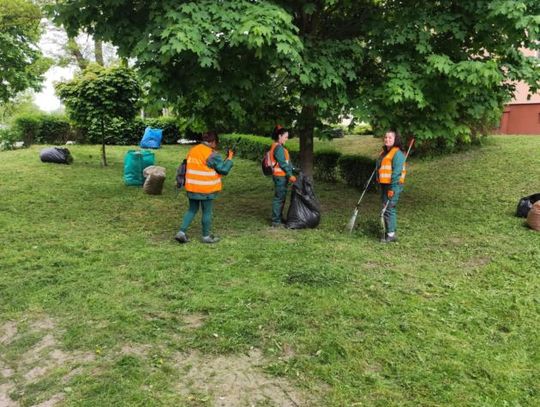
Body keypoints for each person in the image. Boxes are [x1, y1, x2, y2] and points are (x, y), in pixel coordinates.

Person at [174, 132, 234, 244]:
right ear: (213, 142)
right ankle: (206, 237)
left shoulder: (193, 150)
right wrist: (229, 159)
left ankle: (181, 232)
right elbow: (223, 170)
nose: (216, 146)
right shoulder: (212, 154)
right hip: (206, 188)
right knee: (207, 211)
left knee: (192, 209)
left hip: (192, 186)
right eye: (216, 143)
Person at [376, 129, 407, 243]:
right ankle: (387, 231)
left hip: (394, 185)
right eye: (386, 137)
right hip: (384, 185)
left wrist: (392, 189)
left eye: (390, 137)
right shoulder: (384, 153)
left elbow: (396, 174)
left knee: (389, 208)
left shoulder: (397, 154)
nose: (387, 139)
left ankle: (391, 235)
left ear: (395, 139)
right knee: (385, 207)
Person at [269, 127, 296, 227]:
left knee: (281, 197)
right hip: (280, 177)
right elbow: (283, 164)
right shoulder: (278, 148)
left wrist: (294, 169)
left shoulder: (277, 146)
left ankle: (279, 218)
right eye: (285, 137)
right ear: (280, 136)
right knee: (279, 198)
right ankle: (276, 221)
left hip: (280, 176)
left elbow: (286, 162)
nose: (287, 139)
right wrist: (290, 175)